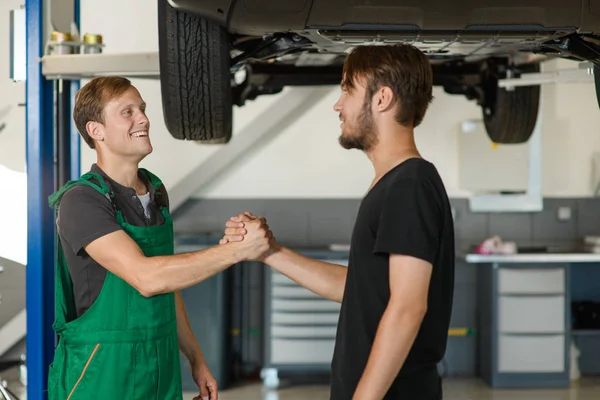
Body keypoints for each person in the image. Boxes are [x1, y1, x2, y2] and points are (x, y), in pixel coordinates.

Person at [220, 44, 455, 400]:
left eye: (347, 90)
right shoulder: (394, 183)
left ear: (382, 99)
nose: (338, 104)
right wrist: (270, 252)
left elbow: (408, 306)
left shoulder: (409, 186)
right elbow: (362, 289)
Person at [46, 76, 272, 400]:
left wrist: (195, 357)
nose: (144, 119)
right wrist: (235, 251)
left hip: (159, 367)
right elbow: (147, 277)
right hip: (103, 374)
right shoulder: (82, 200)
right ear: (96, 131)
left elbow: (167, 285)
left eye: (142, 109)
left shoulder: (155, 191)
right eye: (128, 112)